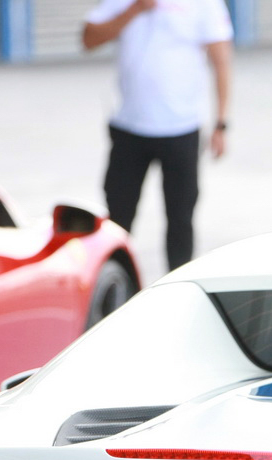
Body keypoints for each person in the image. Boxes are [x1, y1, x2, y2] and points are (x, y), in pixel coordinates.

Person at [82, 0, 232, 272]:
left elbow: (221, 60)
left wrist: (221, 124)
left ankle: (178, 287)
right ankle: (115, 286)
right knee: (118, 218)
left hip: (181, 129)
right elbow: (89, 40)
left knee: (180, 217)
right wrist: (135, 9)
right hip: (129, 129)